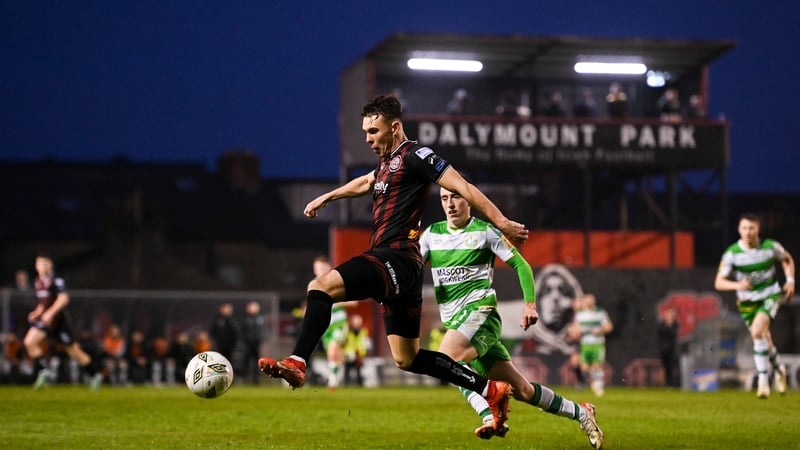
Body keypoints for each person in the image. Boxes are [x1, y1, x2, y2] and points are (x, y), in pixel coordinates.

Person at [258, 94, 530, 431]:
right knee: (407, 358)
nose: (368, 139)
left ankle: (298, 362)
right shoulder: (387, 163)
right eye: (364, 132)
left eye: (373, 131)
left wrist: (501, 221)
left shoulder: (417, 155)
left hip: (396, 256)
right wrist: (329, 196)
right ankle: (489, 389)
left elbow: (463, 186)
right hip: (403, 268)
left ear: (395, 127)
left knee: (320, 286)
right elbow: (367, 182)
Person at [419, 183, 603, 448]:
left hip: (481, 314)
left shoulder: (484, 231)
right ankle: (582, 413)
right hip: (458, 324)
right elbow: (411, 268)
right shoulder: (431, 235)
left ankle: (488, 413)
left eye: (456, 197)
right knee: (524, 391)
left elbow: (520, 264)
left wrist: (530, 304)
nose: (450, 204)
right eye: (445, 198)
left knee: (446, 359)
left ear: (469, 200)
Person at [714, 213, 795, 399]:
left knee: (757, 332)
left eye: (752, 228)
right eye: (744, 228)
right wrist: (737, 285)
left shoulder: (770, 247)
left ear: (758, 229)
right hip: (746, 302)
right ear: (739, 230)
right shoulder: (732, 253)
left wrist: (790, 281)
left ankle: (763, 382)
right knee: (764, 339)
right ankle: (780, 369)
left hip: (770, 295)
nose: (748, 232)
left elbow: (786, 259)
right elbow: (718, 282)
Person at [23, 253, 103, 390]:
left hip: (59, 322)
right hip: (46, 321)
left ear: (51, 265)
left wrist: (51, 312)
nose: (42, 266)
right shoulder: (38, 282)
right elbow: (43, 303)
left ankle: (95, 374)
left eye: (45, 263)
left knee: (74, 351)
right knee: (29, 341)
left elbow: (63, 299)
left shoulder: (56, 280)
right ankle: (43, 371)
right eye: (40, 264)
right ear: (36, 266)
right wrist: (37, 312)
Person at [573, 294, 613, 397]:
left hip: (597, 343)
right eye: (587, 300)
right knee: (584, 368)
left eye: (591, 300)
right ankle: (592, 382)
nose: (589, 302)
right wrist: (576, 332)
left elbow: (609, 326)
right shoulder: (580, 314)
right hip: (585, 344)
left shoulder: (600, 313)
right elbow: (576, 329)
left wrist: (600, 330)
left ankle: (598, 386)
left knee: (597, 365)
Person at [343, 313, 371, 386]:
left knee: (359, 372)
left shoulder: (364, 331)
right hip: (349, 356)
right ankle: (346, 384)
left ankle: (359, 384)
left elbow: (366, 344)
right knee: (347, 371)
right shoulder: (347, 331)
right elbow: (343, 342)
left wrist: (362, 355)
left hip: (359, 355)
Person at [241, 301, 266, 383]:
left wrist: (261, 340)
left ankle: (256, 380)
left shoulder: (260, 318)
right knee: (246, 362)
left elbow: (263, 331)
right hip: (248, 344)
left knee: (257, 362)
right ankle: (244, 379)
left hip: (257, 344)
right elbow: (242, 331)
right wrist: (245, 340)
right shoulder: (245, 318)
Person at [657, 307, 680, 387]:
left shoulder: (675, 324)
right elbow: (660, 332)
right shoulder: (662, 324)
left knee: (673, 367)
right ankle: (668, 383)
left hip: (672, 350)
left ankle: (675, 384)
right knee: (666, 367)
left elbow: (674, 334)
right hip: (664, 349)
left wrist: (670, 324)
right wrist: (667, 324)